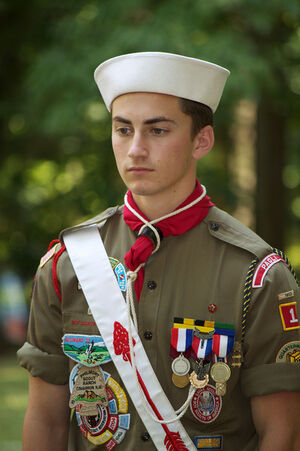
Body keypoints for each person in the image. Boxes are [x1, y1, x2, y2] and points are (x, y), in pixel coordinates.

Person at [18, 52, 300, 451]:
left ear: (201, 140)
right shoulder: (68, 263)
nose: (135, 149)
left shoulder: (256, 274)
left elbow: (283, 434)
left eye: (157, 131)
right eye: (122, 130)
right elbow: (45, 422)